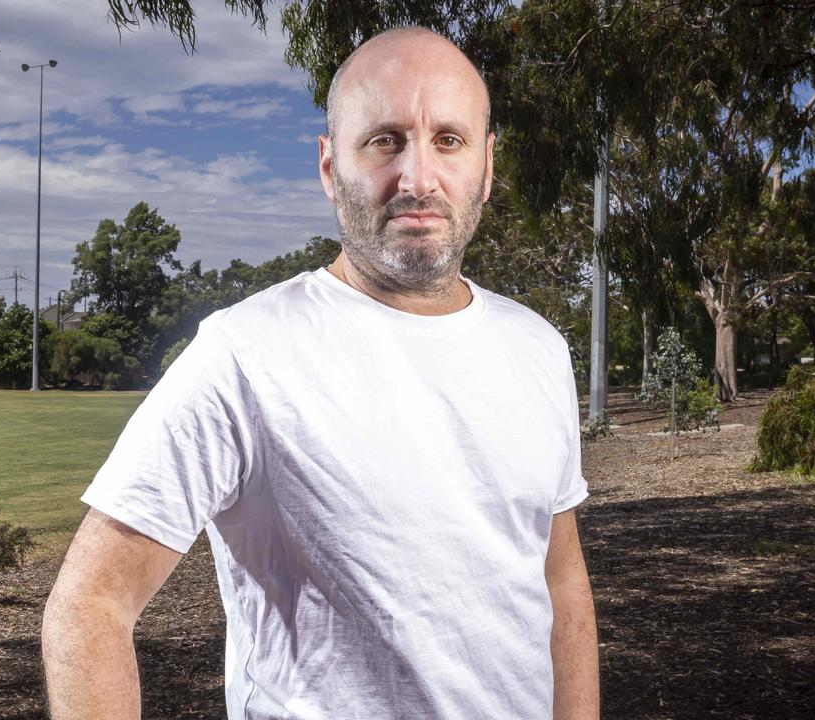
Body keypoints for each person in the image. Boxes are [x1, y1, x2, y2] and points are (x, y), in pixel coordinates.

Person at [42, 26, 601, 720]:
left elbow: (560, 580)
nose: (418, 178)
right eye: (385, 140)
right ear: (331, 166)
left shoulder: (537, 347)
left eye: (448, 140)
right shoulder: (245, 354)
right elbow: (92, 602)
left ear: (486, 165)